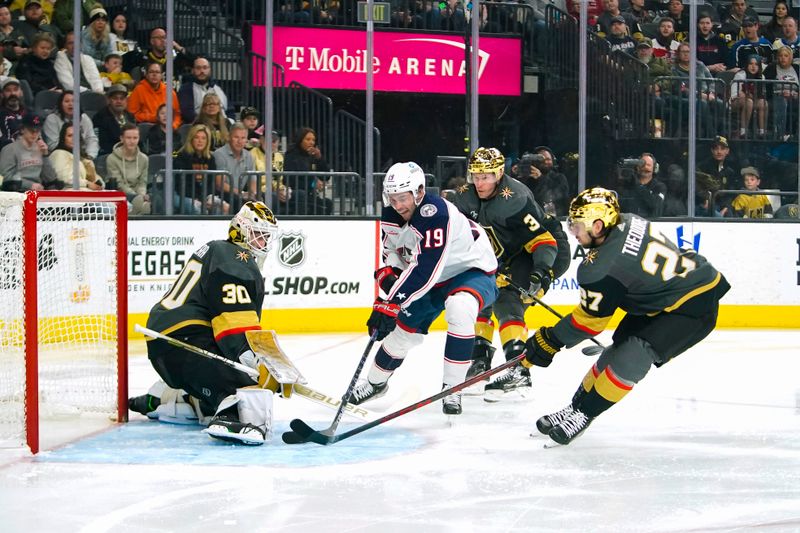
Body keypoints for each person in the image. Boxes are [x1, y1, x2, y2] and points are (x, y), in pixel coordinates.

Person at [524, 187, 730, 445]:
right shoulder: (628, 219)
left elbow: (590, 322)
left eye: (576, 225)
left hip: (693, 305)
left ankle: (585, 414)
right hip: (661, 297)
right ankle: (576, 407)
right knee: (617, 349)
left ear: (598, 226)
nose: (572, 231)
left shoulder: (600, 267)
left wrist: (550, 339)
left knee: (633, 355)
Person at [351, 162, 498, 415]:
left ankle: (453, 389)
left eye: (403, 198)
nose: (398, 205)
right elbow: (396, 254)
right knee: (401, 334)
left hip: (470, 271)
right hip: (433, 278)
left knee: (460, 308)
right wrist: (390, 273)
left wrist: (391, 302)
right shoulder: (391, 214)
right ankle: (375, 384)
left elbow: (425, 269)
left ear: (419, 192)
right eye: (392, 198)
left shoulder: (436, 213)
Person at [129, 201, 280, 445]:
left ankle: (165, 401)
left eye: (266, 238)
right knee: (247, 393)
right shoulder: (235, 258)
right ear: (240, 229)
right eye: (257, 236)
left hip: (171, 344)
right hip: (184, 340)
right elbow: (234, 328)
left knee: (228, 383)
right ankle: (230, 418)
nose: (262, 244)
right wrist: (259, 363)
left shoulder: (221, 252)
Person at [448, 147, 569, 399]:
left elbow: (542, 241)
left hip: (544, 250)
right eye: (476, 176)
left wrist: (541, 273)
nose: (480, 183)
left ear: (499, 173)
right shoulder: (463, 198)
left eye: (487, 176)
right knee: (480, 292)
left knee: (506, 300)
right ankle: (480, 360)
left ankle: (518, 370)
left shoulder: (514, 198)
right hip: (505, 254)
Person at [0, 112, 56, 191]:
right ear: (22, 129)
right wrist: (29, 185)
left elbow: (50, 179)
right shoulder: (9, 149)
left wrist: (45, 155)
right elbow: (5, 178)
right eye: (31, 130)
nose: (34, 134)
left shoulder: (40, 149)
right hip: (17, 193)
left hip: (38, 192)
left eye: (37, 131)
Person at [283, 126, 332, 215]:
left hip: (309, 194)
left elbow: (326, 176)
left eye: (313, 140)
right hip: (295, 193)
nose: (311, 142)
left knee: (327, 203)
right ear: (300, 140)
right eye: (308, 139)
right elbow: (292, 180)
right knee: (303, 197)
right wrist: (313, 183)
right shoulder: (291, 155)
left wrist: (319, 158)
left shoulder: (312, 156)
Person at [173, 123, 220, 214]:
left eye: (203, 138)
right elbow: (182, 184)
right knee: (197, 209)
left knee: (220, 208)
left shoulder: (210, 158)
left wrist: (209, 197)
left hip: (202, 196)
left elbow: (211, 183)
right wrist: (200, 199)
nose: (200, 141)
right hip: (183, 195)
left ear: (208, 141)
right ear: (191, 139)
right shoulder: (182, 156)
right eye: (196, 137)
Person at [106, 122, 150, 215]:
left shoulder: (144, 159)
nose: (132, 141)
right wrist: (135, 196)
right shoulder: (111, 158)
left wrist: (141, 195)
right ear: (122, 139)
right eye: (128, 138)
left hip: (138, 196)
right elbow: (119, 183)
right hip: (120, 195)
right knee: (141, 205)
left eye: (135, 138)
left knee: (151, 203)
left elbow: (143, 181)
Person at [42, 90, 99, 159]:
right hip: (61, 156)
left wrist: (90, 155)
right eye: (66, 101)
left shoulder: (84, 118)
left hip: (83, 155)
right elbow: (52, 145)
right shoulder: (52, 119)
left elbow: (91, 139)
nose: (70, 104)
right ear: (61, 104)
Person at [212, 121, 256, 210]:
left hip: (241, 194)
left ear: (246, 140)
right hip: (223, 194)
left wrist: (253, 194)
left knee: (268, 198)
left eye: (243, 138)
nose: (239, 141)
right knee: (239, 201)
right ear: (229, 137)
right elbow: (220, 184)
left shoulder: (249, 156)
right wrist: (241, 193)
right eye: (236, 137)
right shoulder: (219, 154)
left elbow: (253, 181)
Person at [47, 122, 104, 190]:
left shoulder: (82, 157)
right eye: (70, 135)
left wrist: (99, 184)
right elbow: (64, 178)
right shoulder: (59, 153)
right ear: (63, 138)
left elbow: (97, 178)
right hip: (67, 192)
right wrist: (87, 183)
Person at [127, 60, 181, 128]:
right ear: (146, 74)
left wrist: (173, 126)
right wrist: (153, 117)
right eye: (151, 72)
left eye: (157, 72)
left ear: (162, 75)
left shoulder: (169, 92)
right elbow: (131, 115)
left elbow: (177, 115)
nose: (154, 75)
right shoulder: (138, 90)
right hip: (146, 128)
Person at [251, 125, 292, 214]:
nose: (271, 144)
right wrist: (274, 190)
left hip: (275, 190)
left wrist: (282, 189)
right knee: (272, 196)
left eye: (274, 141)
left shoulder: (279, 156)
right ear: (261, 140)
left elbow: (279, 179)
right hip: (259, 191)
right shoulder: (252, 154)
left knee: (298, 195)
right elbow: (255, 180)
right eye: (268, 140)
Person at [178, 56, 231, 123]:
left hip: (224, 125)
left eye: (205, 68)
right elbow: (187, 114)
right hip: (199, 126)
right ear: (193, 70)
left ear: (210, 70)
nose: (202, 71)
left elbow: (230, 110)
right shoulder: (186, 89)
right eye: (198, 68)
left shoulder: (220, 87)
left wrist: (230, 122)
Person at [764, 46, 800, 141]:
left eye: (786, 56)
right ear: (777, 57)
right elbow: (766, 87)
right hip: (777, 98)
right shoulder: (771, 68)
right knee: (783, 102)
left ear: (791, 57)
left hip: (795, 98)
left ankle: (796, 134)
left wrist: (796, 95)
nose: (783, 58)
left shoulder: (797, 68)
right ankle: (782, 133)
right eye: (780, 55)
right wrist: (780, 93)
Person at [617, 153, 666, 218]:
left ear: (654, 169)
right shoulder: (628, 185)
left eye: (648, 165)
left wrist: (639, 185)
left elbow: (655, 204)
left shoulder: (660, 187)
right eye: (642, 164)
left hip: (651, 224)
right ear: (637, 167)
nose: (645, 167)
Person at [729, 55, 767, 139]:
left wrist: (748, 95)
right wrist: (746, 95)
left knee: (763, 103)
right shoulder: (740, 75)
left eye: (756, 64)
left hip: (752, 100)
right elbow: (734, 94)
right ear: (747, 65)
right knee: (749, 102)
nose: (753, 67)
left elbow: (761, 95)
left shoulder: (762, 77)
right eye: (751, 64)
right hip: (735, 102)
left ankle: (762, 132)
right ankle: (743, 131)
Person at [93, 84, 136, 156]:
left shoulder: (130, 116)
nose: (119, 101)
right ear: (109, 100)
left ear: (126, 100)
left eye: (122, 98)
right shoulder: (100, 117)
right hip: (110, 154)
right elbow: (103, 144)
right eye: (115, 98)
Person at [0, 77, 34, 148]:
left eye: (16, 89)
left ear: (21, 92)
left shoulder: (30, 113)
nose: (13, 93)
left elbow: (38, 133)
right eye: (8, 90)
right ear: (2, 94)